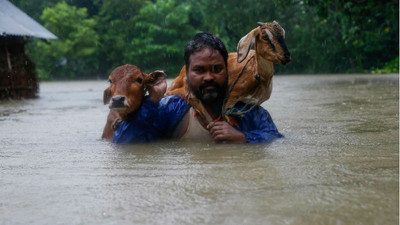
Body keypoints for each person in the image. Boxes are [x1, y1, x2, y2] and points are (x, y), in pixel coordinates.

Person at [113, 32, 283, 144]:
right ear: (186, 73)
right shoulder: (170, 108)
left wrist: (243, 137)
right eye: (199, 70)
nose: (209, 77)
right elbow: (124, 143)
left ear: (227, 70)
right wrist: (152, 100)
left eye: (217, 69)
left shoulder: (248, 111)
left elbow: (277, 139)